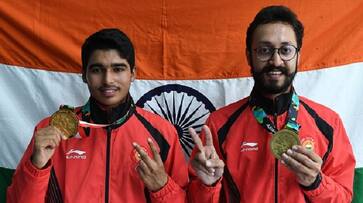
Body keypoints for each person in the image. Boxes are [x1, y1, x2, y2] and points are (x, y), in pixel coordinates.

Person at [187, 5, 355, 203]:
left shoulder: (328, 123)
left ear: (298, 56)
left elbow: (344, 199)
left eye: (286, 50)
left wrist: (315, 183)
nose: (276, 60)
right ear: (249, 56)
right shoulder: (218, 124)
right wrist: (208, 185)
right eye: (264, 50)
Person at [7, 28, 188, 202]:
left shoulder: (162, 133)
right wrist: (36, 167)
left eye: (118, 69)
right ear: (84, 75)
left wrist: (163, 188)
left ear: (133, 74)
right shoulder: (51, 130)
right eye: (97, 70)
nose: (108, 80)